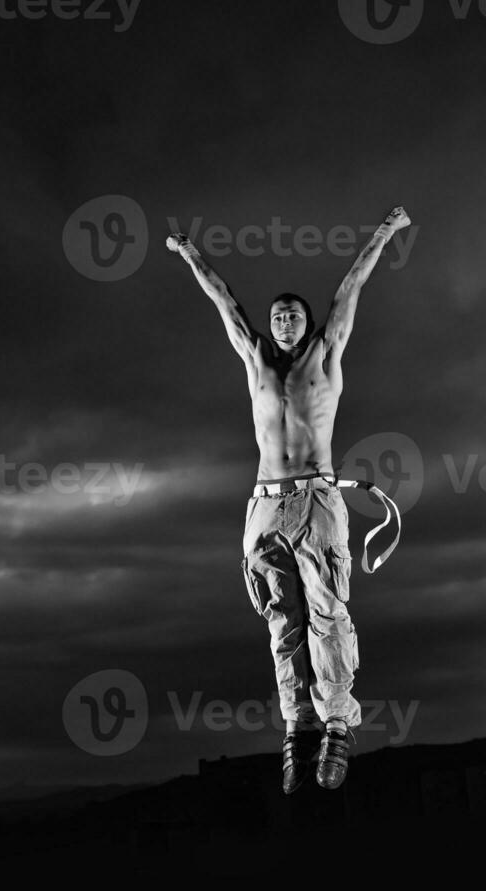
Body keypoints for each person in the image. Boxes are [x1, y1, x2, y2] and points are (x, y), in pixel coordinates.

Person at [166, 206, 411, 793]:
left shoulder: (326, 353)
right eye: (276, 314)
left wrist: (384, 232)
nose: (282, 320)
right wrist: (189, 254)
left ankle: (336, 723)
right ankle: (298, 725)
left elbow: (350, 289)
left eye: (292, 313)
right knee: (283, 620)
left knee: (328, 612)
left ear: (307, 322)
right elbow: (224, 301)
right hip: (265, 503)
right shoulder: (254, 360)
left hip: (316, 499)